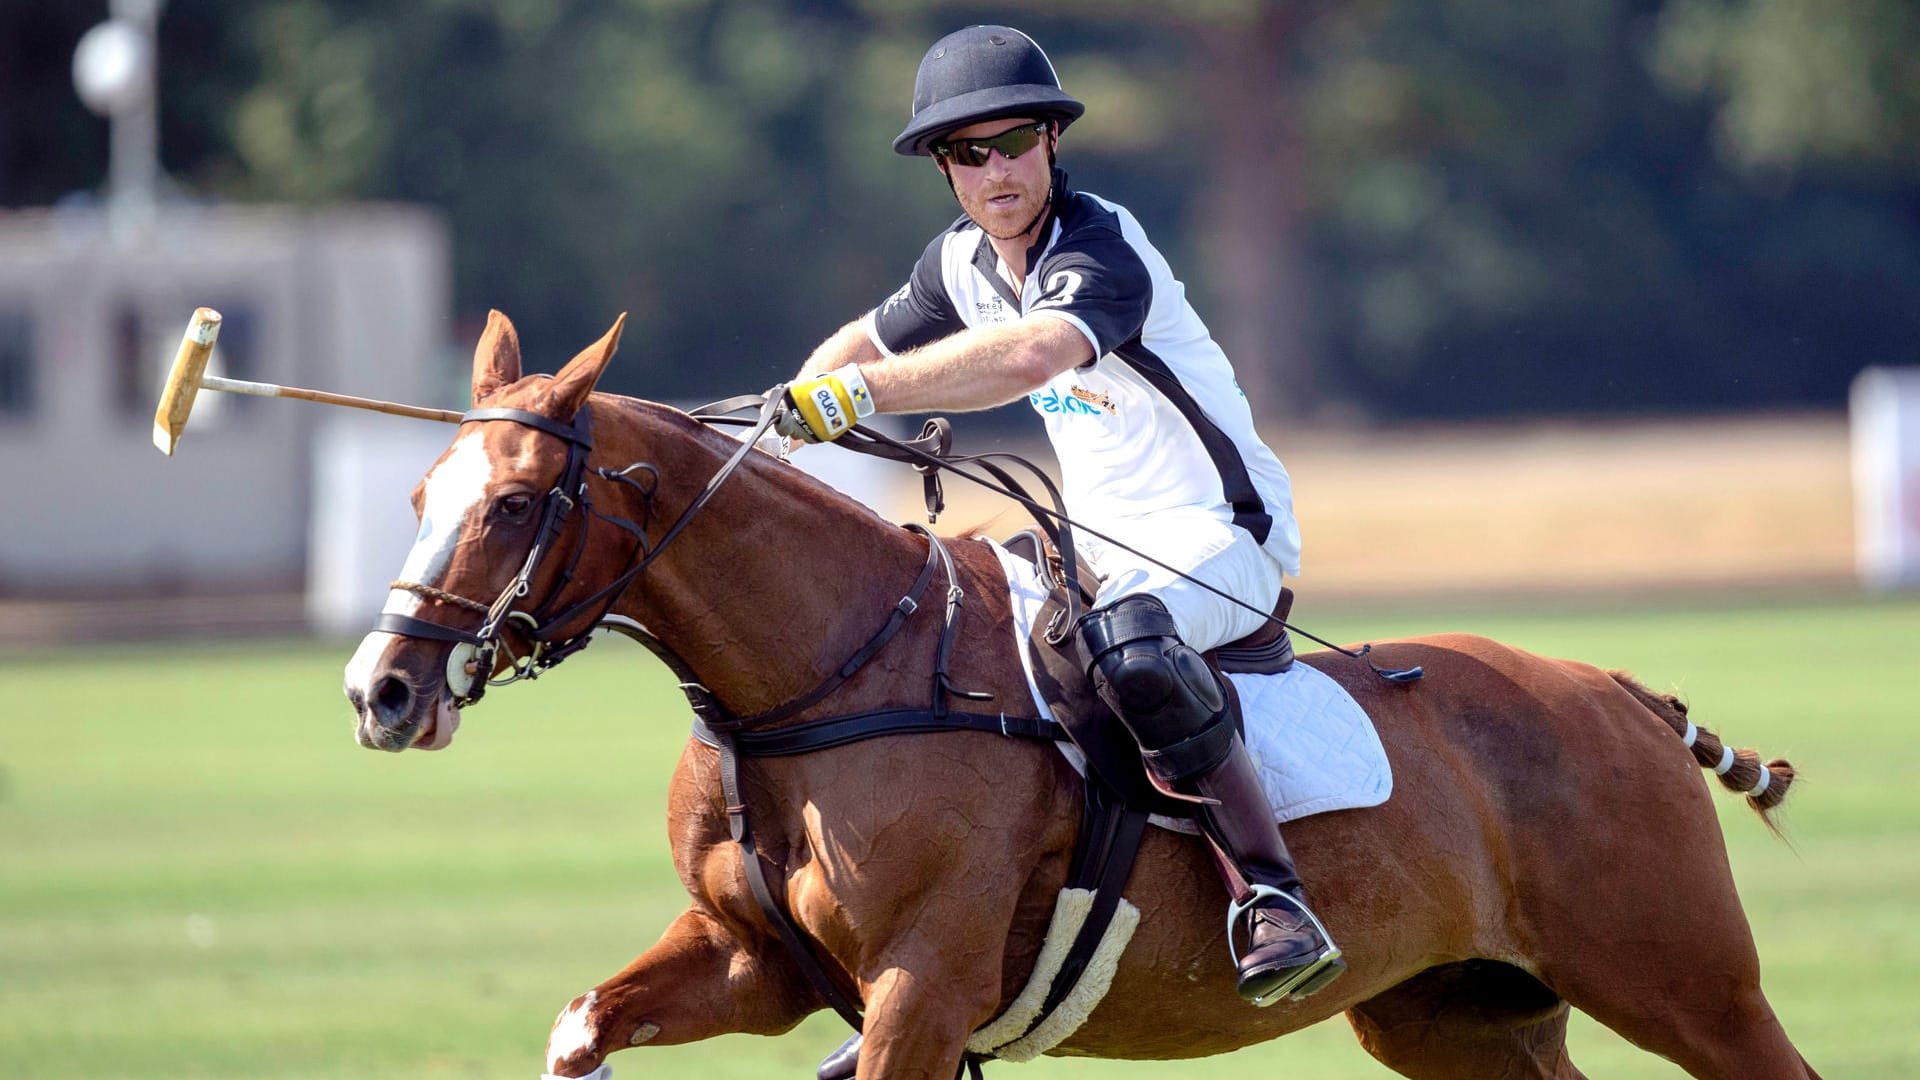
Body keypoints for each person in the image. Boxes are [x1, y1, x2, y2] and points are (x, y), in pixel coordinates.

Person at [780, 28, 1341, 1065]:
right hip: (1098, 546)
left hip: (1222, 536)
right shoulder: (955, 261)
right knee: (964, 646)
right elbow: (864, 341)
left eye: (1016, 142)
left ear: (1050, 143)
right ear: (943, 168)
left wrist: (862, 394)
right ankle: (971, 965)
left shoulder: (1099, 244)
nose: (997, 169)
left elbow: (1031, 352)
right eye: (969, 152)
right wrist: (794, 405)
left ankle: (1275, 895)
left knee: (1130, 642)